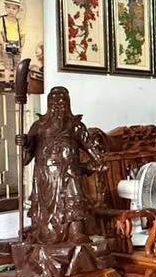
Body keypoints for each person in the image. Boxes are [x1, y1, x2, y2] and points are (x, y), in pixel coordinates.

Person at [21, 87, 101, 245]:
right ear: (48, 105)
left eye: (62, 103)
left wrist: (96, 162)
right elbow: (26, 159)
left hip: (70, 173)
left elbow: (90, 148)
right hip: (46, 176)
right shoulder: (39, 127)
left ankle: (75, 233)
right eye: (54, 103)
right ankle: (43, 232)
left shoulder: (76, 126)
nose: (58, 107)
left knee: (73, 201)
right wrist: (25, 144)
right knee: (45, 207)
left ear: (68, 104)